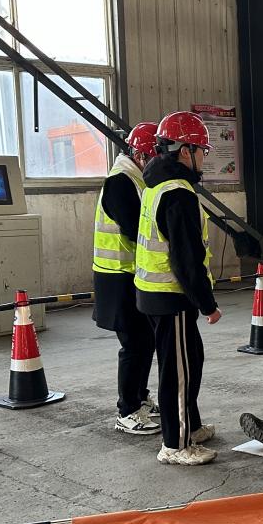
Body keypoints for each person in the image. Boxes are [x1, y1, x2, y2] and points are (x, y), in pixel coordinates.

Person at [135, 111, 222, 466]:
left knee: (190, 361)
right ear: (185, 151)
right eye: (202, 150)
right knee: (177, 373)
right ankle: (176, 444)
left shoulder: (156, 184)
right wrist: (207, 304)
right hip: (170, 296)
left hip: (155, 293)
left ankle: (191, 426)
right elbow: (186, 259)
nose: (204, 158)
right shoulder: (178, 194)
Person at [92, 122, 162, 436]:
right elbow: (135, 228)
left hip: (131, 275)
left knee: (145, 341)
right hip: (117, 276)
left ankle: (140, 397)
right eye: (155, 157)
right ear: (141, 155)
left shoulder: (136, 179)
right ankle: (128, 411)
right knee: (134, 344)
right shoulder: (120, 182)